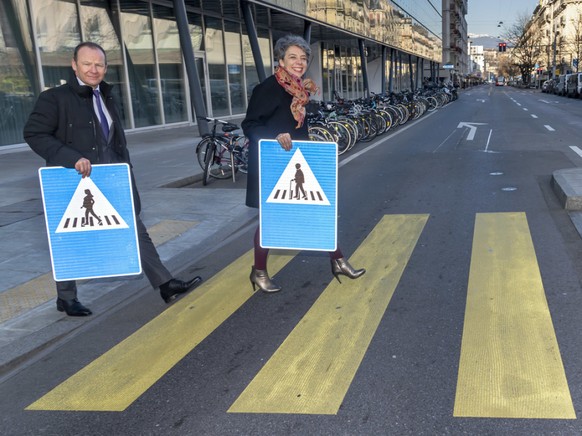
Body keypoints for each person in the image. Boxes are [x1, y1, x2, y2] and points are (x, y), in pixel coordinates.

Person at [24, 42, 202, 316]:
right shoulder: (54, 98)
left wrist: (125, 173)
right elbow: (34, 134)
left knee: (135, 229)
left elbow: (115, 141)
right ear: (74, 65)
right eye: (87, 64)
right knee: (72, 237)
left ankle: (165, 283)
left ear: (106, 68)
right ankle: (66, 297)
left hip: (111, 178)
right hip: (75, 180)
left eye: (99, 65)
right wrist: (70, 157)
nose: (93, 70)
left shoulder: (106, 96)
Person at [241, 34, 365, 293]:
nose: (299, 62)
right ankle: (259, 271)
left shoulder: (300, 89)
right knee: (271, 220)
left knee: (316, 211)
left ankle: (338, 260)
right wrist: (274, 136)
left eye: (304, 58)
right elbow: (250, 124)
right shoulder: (268, 88)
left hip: (297, 161)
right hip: (273, 163)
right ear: (281, 60)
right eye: (293, 57)